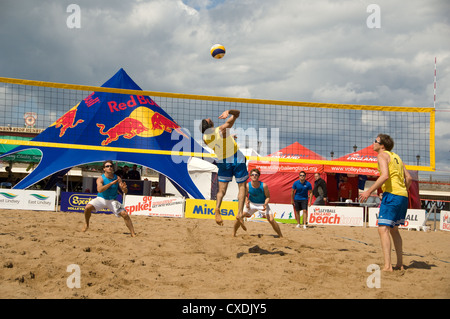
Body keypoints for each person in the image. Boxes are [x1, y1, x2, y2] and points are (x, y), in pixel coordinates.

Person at [359, 134, 412, 272]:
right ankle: (399, 263)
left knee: (383, 229)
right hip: (402, 196)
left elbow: (385, 176)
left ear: (382, 145)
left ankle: (388, 266)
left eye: (375, 141)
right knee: (394, 229)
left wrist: (368, 191)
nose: (373, 143)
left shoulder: (382, 156)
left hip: (393, 195)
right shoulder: (397, 157)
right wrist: (403, 190)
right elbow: (409, 178)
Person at [200, 109, 248, 229]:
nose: (211, 119)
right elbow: (237, 114)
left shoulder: (205, 138)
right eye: (210, 120)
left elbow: (219, 140)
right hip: (236, 158)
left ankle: (217, 208)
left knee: (221, 191)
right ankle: (239, 213)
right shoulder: (221, 129)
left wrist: (230, 137)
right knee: (242, 187)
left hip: (222, 161)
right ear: (211, 125)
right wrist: (229, 111)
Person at [82, 160, 136, 237]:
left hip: (112, 200)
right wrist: (110, 183)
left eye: (111, 166)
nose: (109, 167)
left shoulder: (117, 178)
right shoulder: (100, 178)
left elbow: (125, 191)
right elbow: (99, 190)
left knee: (125, 214)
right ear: (104, 169)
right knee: (87, 208)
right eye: (107, 166)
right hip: (101, 199)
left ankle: (133, 233)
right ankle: (87, 224)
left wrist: (124, 189)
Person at [237, 168, 283, 237]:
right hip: (251, 204)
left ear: (258, 176)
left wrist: (265, 204)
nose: (254, 176)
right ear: (250, 176)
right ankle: (233, 234)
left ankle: (280, 235)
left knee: (271, 220)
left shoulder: (264, 185)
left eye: (256, 175)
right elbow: (246, 195)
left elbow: (268, 197)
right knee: (239, 217)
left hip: (262, 204)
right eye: (252, 174)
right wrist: (246, 201)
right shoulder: (247, 185)